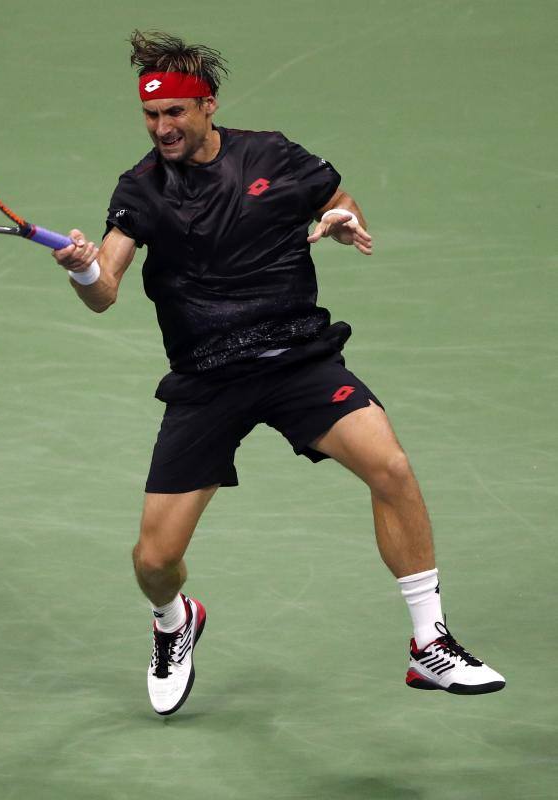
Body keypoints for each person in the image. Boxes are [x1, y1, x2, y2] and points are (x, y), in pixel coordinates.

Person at [52, 30, 506, 715]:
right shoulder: (139, 190)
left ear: (207, 106)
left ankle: (428, 644)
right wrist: (84, 268)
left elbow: (337, 195)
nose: (162, 128)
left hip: (296, 357)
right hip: (207, 378)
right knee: (152, 562)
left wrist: (340, 216)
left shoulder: (269, 153)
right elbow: (105, 291)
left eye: (175, 113)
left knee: (390, 467)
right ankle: (175, 621)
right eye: (150, 116)